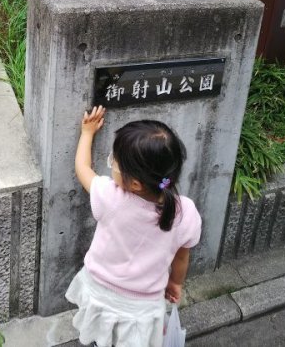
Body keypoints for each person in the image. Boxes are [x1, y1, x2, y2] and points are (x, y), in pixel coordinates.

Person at [66, 106, 201, 347]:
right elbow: (182, 257)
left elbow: (83, 169)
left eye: (114, 162)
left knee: (102, 339)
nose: (111, 165)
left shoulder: (112, 198)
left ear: (136, 183)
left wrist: (87, 133)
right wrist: (176, 283)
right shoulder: (185, 212)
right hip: (143, 307)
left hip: (102, 293)